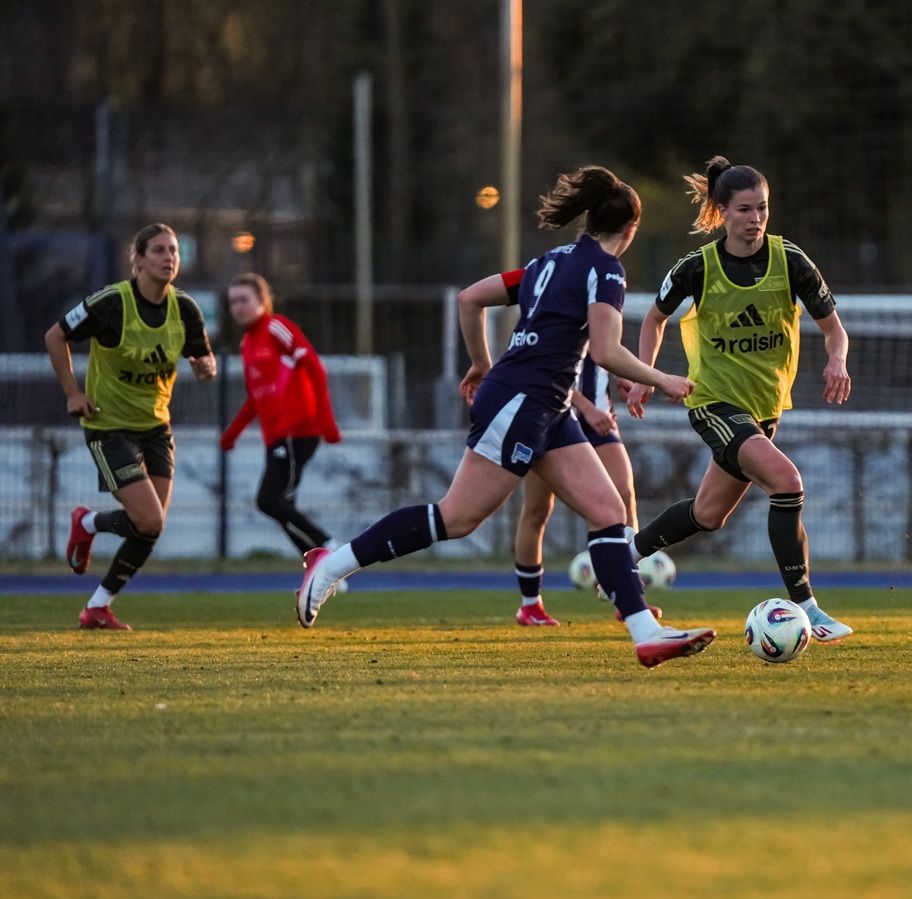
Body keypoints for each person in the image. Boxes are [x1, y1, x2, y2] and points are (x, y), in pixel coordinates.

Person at [295, 166, 715, 669]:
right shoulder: (606, 270)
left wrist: (480, 362)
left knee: (608, 513)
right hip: (522, 402)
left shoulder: (549, 261)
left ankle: (646, 634)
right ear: (630, 231)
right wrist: (662, 378)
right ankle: (331, 564)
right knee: (458, 517)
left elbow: (470, 298)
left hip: (547, 405)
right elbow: (604, 350)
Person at [624, 156, 854, 643]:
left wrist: (837, 360)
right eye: (745, 209)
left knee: (708, 515)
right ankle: (807, 607)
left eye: (763, 209)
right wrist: (644, 375)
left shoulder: (790, 261)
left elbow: (835, 331)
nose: (755, 219)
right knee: (787, 481)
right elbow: (653, 319)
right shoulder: (697, 267)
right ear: (722, 212)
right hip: (714, 404)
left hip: (765, 408)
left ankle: (621, 558)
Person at [43, 223, 217, 630]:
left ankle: (97, 604)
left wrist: (205, 367)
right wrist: (72, 392)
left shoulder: (186, 308)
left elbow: (202, 359)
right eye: (158, 250)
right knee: (150, 521)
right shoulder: (112, 303)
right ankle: (86, 528)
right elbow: (55, 336)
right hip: (109, 426)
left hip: (156, 427)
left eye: (173, 250)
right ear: (137, 259)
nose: (168, 257)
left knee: (150, 526)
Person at [509, 353, 649, 627]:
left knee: (624, 494)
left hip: (599, 416)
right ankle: (530, 605)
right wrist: (585, 407)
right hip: (552, 419)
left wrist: (621, 375)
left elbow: (606, 345)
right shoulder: (553, 312)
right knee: (537, 509)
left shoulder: (603, 309)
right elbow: (546, 369)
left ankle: (629, 598)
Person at [219, 273, 343, 558]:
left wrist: (327, 423)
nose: (237, 307)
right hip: (275, 435)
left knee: (268, 501)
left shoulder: (277, 327)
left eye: (244, 300)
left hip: (296, 430)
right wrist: (232, 433)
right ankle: (321, 564)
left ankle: (329, 546)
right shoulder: (247, 343)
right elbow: (256, 397)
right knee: (281, 505)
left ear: (263, 300)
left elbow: (314, 367)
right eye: (232, 302)